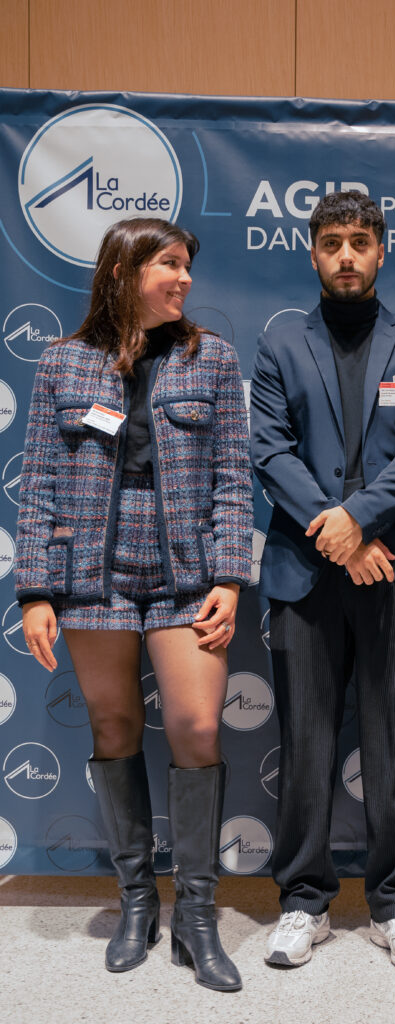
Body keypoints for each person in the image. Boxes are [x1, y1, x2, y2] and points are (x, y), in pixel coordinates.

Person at [15, 217, 253, 992]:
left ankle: (197, 914)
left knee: (196, 725)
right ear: (123, 272)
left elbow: (231, 476)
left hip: (186, 570)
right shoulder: (63, 362)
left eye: (187, 265)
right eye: (168, 265)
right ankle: (135, 904)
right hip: (91, 570)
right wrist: (35, 589)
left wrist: (227, 576)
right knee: (114, 723)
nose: (183, 278)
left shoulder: (210, 356)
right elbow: (40, 480)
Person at [250, 191, 395, 970]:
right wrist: (340, 538)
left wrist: (357, 521)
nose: (345, 255)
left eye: (359, 241)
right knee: (303, 742)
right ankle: (304, 902)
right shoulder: (279, 346)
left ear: (379, 251)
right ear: (311, 252)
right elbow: (270, 451)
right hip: (307, 569)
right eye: (331, 241)